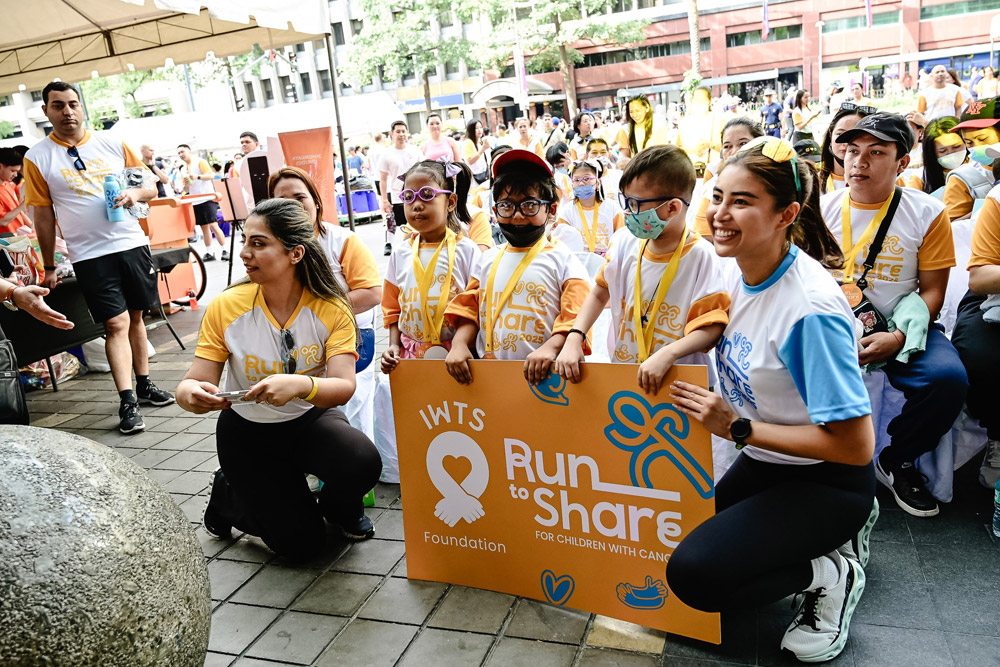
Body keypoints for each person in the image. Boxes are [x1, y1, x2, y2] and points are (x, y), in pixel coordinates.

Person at [665, 136, 875, 664]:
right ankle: (814, 547)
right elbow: (721, 324)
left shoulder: (810, 313)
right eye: (718, 197)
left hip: (827, 480)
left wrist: (737, 428)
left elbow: (855, 448)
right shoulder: (740, 267)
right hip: (766, 462)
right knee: (670, 545)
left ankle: (829, 573)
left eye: (742, 201)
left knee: (694, 577)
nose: (720, 214)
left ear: (786, 215)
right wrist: (669, 353)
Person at [177, 198, 381, 557]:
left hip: (309, 420)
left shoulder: (331, 307)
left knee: (361, 461)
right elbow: (193, 381)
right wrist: (191, 394)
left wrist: (301, 385)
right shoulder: (227, 306)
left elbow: (343, 386)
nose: (244, 253)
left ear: (295, 253)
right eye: (245, 241)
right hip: (247, 432)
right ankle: (229, 495)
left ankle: (336, 510)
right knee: (302, 548)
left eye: (258, 243)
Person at [821, 112, 967, 518]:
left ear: (902, 162)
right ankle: (817, 468)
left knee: (948, 380)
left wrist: (899, 337)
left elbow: (932, 290)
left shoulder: (926, 212)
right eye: (852, 150)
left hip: (902, 326)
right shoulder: (821, 209)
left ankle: (897, 459)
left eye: (876, 152)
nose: (859, 162)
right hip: (832, 325)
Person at [22, 81, 173, 434]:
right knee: (115, 324)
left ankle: (144, 384)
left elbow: (149, 186)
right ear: (46, 111)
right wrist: (48, 266)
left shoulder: (112, 143)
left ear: (81, 107)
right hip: (89, 254)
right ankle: (127, 399)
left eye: (73, 104)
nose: (67, 111)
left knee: (136, 317)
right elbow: (42, 215)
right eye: (58, 105)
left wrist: (134, 195)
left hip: (131, 243)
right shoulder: (37, 157)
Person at [554, 144, 729, 391]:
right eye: (625, 201)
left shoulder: (702, 257)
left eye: (635, 204)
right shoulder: (625, 242)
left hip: (680, 384)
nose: (627, 212)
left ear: (672, 208)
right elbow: (599, 293)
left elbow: (711, 325)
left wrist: (669, 354)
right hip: (627, 375)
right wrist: (575, 335)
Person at [444, 149, 590, 385]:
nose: (518, 216)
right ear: (495, 211)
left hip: (545, 380)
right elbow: (469, 308)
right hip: (488, 378)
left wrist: (552, 347)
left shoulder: (564, 262)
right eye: (507, 206)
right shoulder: (487, 259)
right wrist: (459, 343)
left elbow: (577, 317)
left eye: (530, 205)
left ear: (551, 210)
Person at [268, 167, 382, 440]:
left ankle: (358, 465)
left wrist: (316, 312)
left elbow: (371, 293)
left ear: (316, 202)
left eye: (300, 198)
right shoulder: (270, 247)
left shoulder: (343, 241)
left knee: (352, 420)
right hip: (297, 347)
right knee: (308, 420)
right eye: (282, 200)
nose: (293, 206)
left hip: (351, 342)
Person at [381, 159, 482, 367]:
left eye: (427, 195)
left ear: (451, 202)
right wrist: (393, 345)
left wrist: (461, 344)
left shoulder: (467, 250)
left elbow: (476, 304)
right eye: (409, 197)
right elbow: (392, 307)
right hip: (410, 356)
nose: (417, 204)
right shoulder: (400, 253)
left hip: (459, 355)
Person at [951, 174, 1000, 488]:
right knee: (980, 356)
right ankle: (997, 434)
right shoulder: (998, 200)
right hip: (993, 299)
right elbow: (981, 277)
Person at [693, 117, 764, 237]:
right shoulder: (712, 186)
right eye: (727, 146)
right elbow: (703, 235)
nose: (735, 151)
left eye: (743, 144)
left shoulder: (774, 182)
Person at [943, 96, 999, 221]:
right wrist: (990, 207)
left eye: (982, 139)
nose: (976, 146)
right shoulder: (963, 178)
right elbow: (952, 226)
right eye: (969, 142)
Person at [555, 159, 623, 256]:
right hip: (578, 261)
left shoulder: (612, 208)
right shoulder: (566, 213)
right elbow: (562, 244)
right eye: (577, 180)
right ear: (572, 185)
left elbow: (621, 238)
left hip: (609, 260)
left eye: (586, 179)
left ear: (598, 182)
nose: (581, 183)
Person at [379, 120, 423, 257]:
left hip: (416, 194)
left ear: (407, 132)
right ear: (392, 134)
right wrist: (384, 200)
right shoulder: (386, 154)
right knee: (399, 223)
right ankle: (394, 246)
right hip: (397, 195)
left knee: (416, 221)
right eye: (398, 131)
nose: (401, 134)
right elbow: (383, 179)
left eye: (403, 131)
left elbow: (425, 170)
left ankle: (415, 247)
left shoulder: (415, 150)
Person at [177, 143, 228, 262]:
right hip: (195, 200)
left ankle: (225, 250)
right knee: (204, 227)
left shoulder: (199, 161)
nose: (181, 154)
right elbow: (187, 189)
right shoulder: (183, 168)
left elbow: (211, 175)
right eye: (179, 153)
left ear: (189, 151)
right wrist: (186, 186)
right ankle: (209, 252)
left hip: (207, 198)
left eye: (182, 151)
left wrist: (197, 177)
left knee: (213, 224)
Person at [818, 104, 876, 194]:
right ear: (830, 136)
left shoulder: (884, 182)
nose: (846, 142)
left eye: (855, 135)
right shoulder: (812, 183)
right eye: (840, 134)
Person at [914, 116, 963, 193]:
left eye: (956, 147)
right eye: (942, 151)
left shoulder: (978, 167)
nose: (951, 153)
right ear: (932, 153)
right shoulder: (921, 177)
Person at [0, 147, 30, 234]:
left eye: (17, 171)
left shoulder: (9, 185)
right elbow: (2, 221)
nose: (16, 175)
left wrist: (34, 230)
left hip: (19, 237)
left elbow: (18, 212)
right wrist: (22, 205)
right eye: (13, 171)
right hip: (7, 240)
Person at [462, 119, 490, 184]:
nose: (479, 130)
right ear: (470, 130)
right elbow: (470, 161)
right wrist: (482, 149)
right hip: (474, 178)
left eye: (481, 127)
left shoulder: (479, 141)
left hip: (483, 174)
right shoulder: (468, 142)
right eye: (476, 128)